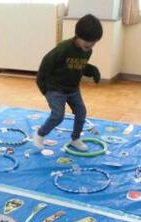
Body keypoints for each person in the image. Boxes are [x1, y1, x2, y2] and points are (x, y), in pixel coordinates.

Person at [33, 14, 102, 151]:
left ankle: (75, 138)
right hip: (55, 88)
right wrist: (44, 87)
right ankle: (40, 134)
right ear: (78, 35)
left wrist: (92, 70)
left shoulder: (87, 51)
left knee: (81, 113)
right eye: (87, 41)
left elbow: (79, 65)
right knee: (58, 116)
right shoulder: (63, 48)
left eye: (93, 42)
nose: (90, 44)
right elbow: (45, 65)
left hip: (73, 89)